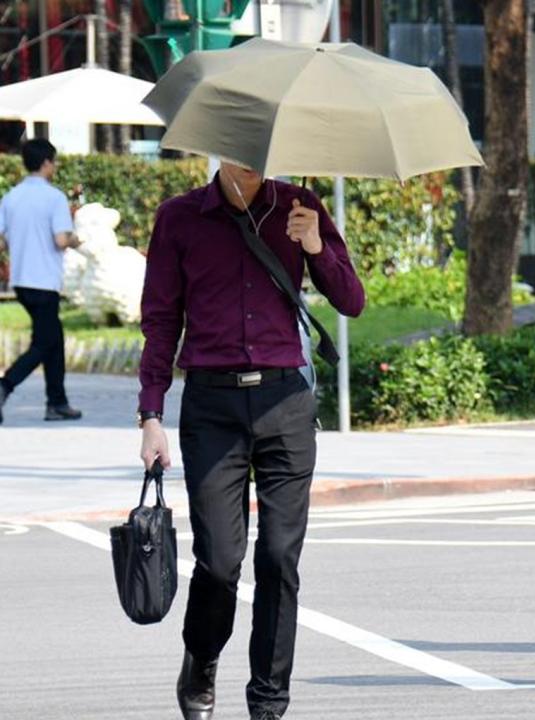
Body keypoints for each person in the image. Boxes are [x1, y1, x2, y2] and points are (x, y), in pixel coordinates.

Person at [138, 162, 364, 720]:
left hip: (285, 402)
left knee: (279, 557)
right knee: (219, 560)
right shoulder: (179, 217)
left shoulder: (301, 206)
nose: (252, 157)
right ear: (218, 143)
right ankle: (202, 659)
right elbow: (161, 319)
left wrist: (314, 244)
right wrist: (150, 414)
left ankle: (268, 701)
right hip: (211, 407)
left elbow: (351, 300)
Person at [0, 138, 82, 425]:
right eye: (54, 161)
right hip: (45, 280)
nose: (55, 166)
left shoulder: (10, 197)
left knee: (53, 340)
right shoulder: (54, 198)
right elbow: (61, 239)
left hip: (21, 280)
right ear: (46, 162)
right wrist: (76, 238)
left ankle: (57, 403)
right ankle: (5, 385)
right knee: (45, 342)